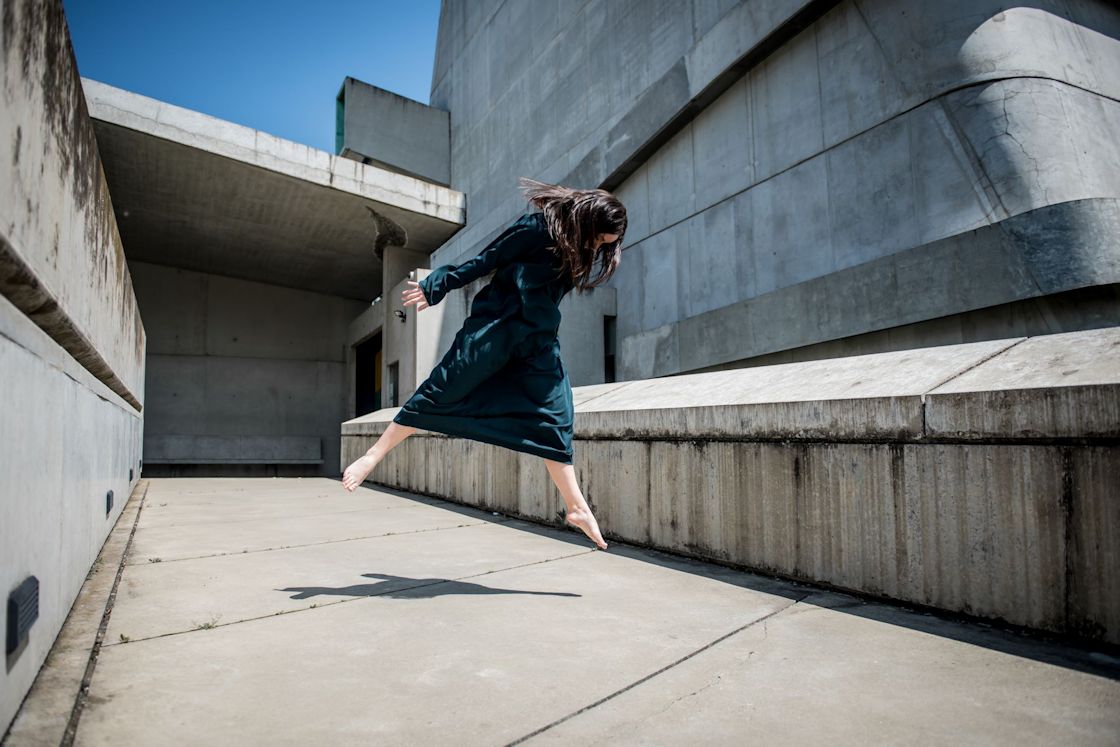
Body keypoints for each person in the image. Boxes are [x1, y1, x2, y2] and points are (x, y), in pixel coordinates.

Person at [341, 177, 626, 550]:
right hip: (496, 328)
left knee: (557, 414)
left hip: (537, 342)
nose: (597, 247)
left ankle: (576, 507)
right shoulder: (535, 229)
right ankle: (372, 456)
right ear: (586, 219)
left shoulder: (578, 248)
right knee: (443, 388)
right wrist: (437, 285)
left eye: (604, 244)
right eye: (598, 238)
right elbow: (485, 260)